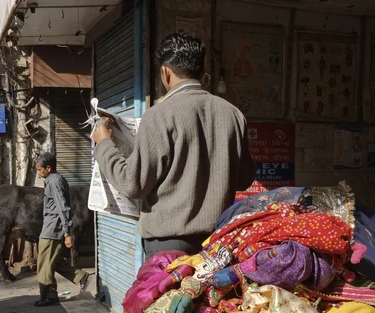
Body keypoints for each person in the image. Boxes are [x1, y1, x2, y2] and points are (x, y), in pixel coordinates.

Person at [92, 32, 255, 260]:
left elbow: (132, 184)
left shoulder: (158, 116)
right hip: (217, 245)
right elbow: (244, 179)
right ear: (200, 69)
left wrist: (105, 145)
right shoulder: (234, 114)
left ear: (165, 72)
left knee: (170, 298)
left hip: (168, 248)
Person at [33, 152, 90, 307]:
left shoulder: (54, 182)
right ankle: (80, 277)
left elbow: (62, 207)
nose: (38, 173)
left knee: (44, 264)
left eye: (40, 170)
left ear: (48, 168)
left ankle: (49, 296)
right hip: (51, 226)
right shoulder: (54, 179)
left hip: (53, 228)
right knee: (53, 261)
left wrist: (67, 232)